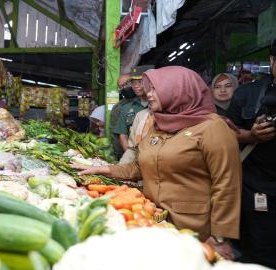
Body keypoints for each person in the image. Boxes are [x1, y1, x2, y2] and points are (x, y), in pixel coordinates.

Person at [73, 66, 241, 260]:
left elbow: (227, 185)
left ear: (178, 90)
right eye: (148, 89)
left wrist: (220, 237)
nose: (149, 94)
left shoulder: (213, 128)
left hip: (195, 228)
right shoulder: (159, 124)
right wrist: (105, 169)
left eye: (154, 89)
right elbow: (140, 166)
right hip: (156, 221)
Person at [226, 38, 276, 269]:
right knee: (259, 251)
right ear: (272, 61)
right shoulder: (249, 94)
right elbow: (226, 135)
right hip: (257, 188)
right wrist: (252, 136)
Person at [112, 65, 153, 154]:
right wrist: (130, 158)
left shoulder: (162, 104)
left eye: (140, 82)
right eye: (133, 83)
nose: (136, 86)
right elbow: (123, 135)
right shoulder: (125, 107)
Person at [110, 73, 135, 158]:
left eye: (126, 84)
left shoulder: (149, 102)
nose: (124, 88)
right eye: (121, 86)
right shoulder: (119, 107)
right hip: (126, 152)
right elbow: (119, 135)